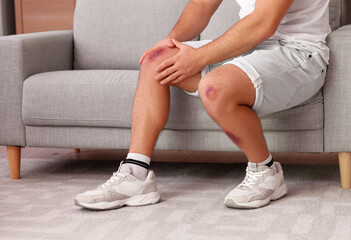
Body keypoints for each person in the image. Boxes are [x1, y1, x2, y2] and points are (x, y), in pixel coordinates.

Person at [74, 0, 330, 210]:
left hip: (298, 52)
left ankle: (266, 171)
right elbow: (202, 5)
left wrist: (197, 58)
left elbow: (263, 23)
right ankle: (135, 173)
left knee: (214, 87)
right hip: (251, 47)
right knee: (157, 61)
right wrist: (171, 41)